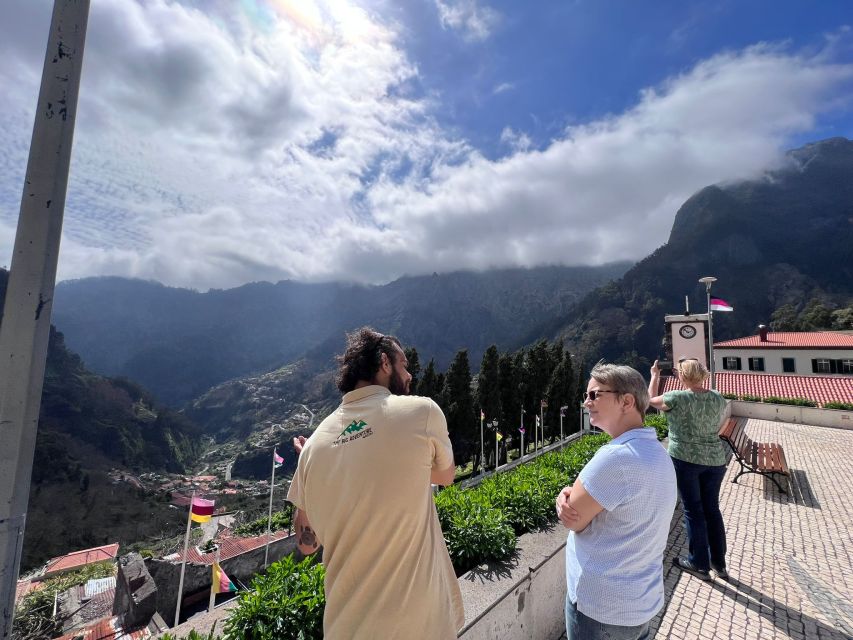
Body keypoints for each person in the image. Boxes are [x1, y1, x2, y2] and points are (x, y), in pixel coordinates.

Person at [287, 327, 464, 639]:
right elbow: (446, 475)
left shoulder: (313, 448)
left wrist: (309, 470)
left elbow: (307, 543)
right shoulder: (421, 412)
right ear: (385, 362)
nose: (409, 375)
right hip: (421, 627)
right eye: (404, 365)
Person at [556, 363, 677, 640]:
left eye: (595, 395)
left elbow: (572, 518)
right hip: (639, 602)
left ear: (626, 401)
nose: (587, 402)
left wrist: (562, 497)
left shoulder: (616, 459)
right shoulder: (657, 453)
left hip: (601, 608)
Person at [649, 356, 729, 581]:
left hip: (685, 460)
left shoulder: (676, 398)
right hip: (715, 460)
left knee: (693, 510)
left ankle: (698, 563)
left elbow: (649, 400)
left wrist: (655, 375)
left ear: (682, 376)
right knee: (712, 510)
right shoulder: (717, 398)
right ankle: (719, 563)